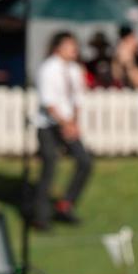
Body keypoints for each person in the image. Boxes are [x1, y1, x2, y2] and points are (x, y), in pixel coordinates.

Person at [32, 32, 92, 230]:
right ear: (58, 47)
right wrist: (65, 124)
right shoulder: (48, 69)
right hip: (49, 125)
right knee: (50, 165)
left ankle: (65, 204)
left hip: (68, 123)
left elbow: (77, 100)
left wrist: (73, 123)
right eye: (69, 45)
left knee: (84, 161)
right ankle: (41, 217)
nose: (74, 49)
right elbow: (49, 103)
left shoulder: (74, 70)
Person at [0, 0, 27, 87]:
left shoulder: (22, 4)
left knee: (17, 86)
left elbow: (20, 24)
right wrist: (9, 22)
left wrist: (1, 21)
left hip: (17, 52)